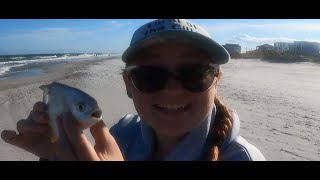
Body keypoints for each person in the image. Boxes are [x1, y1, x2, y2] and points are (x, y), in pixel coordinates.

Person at [1, 19, 266, 161]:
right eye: (150, 76)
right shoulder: (121, 135)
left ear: (216, 79)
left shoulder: (242, 159)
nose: (173, 90)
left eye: (193, 74)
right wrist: (55, 155)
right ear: (129, 85)